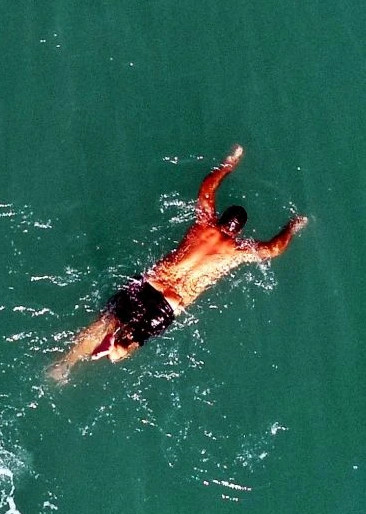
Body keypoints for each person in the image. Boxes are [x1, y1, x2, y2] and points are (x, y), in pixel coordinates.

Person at [48, 145, 307, 382]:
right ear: (238, 232)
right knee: (136, 338)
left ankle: (65, 363)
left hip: (151, 284)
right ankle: (121, 347)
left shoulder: (203, 223)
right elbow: (274, 248)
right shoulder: (238, 250)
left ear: (221, 219)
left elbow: (207, 188)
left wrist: (229, 164)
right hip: (170, 304)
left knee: (107, 321)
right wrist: (292, 226)